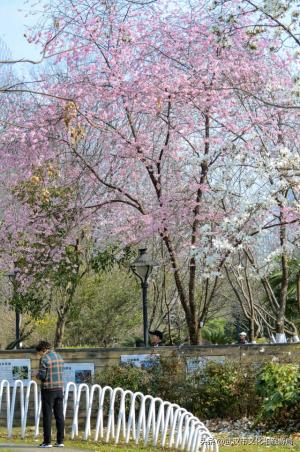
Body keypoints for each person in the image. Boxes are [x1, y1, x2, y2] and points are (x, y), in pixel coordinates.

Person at [35, 341, 65, 448]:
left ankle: (47, 442)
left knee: (47, 416)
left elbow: (42, 376)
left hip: (48, 390)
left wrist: (36, 375)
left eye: (39, 353)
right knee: (59, 416)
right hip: (59, 389)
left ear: (43, 350)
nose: (39, 355)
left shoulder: (45, 359)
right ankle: (60, 441)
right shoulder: (59, 356)